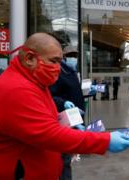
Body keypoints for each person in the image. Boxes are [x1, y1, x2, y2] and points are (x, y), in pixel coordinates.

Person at [0, 33, 129, 180]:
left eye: (60, 62)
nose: (58, 68)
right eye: (53, 61)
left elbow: (40, 121)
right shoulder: (17, 89)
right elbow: (49, 134)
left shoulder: (34, 82)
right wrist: (104, 140)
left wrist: (67, 125)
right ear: (30, 58)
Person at [49, 45, 85, 180]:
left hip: (74, 119)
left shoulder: (71, 70)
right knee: (64, 159)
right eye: (70, 55)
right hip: (63, 121)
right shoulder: (58, 72)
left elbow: (73, 92)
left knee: (67, 158)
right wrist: (62, 102)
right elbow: (48, 95)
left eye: (75, 55)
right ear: (63, 56)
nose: (73, 58)